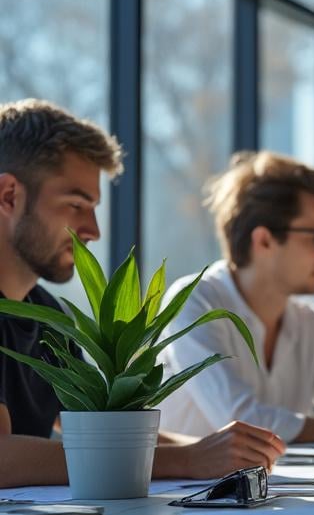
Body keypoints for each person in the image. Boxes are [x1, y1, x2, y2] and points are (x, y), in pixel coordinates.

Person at [0, 99, 285, 488]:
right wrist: (185, 459)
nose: (93, 230)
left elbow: (104, 431)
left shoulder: (48, 316)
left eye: (94, 207)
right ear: (9, 195)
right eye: (76, 204)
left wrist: (220, 450)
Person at [158, 151, 314, 445]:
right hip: (188, 491)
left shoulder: (309, 323)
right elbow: (243, 422)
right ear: (264, 240)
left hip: (274, 490)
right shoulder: (195, 300)